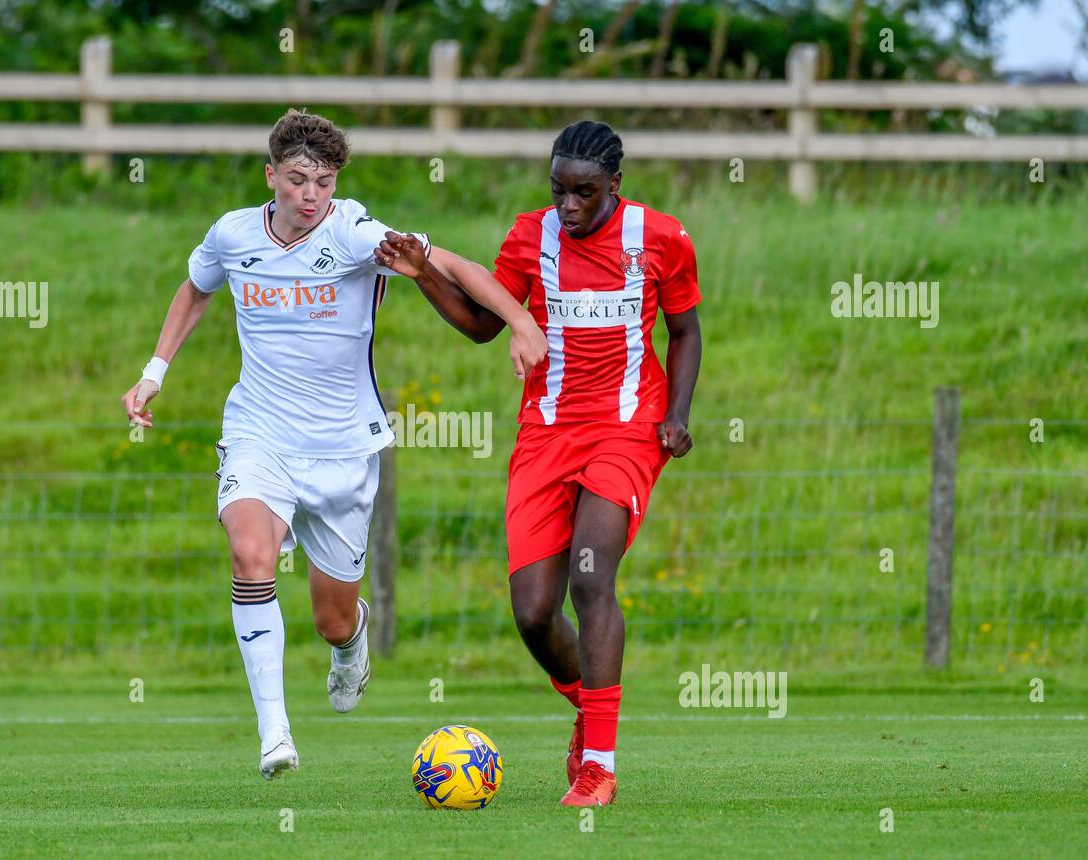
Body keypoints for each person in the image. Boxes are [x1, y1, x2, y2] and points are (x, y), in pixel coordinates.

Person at [121, 109, 546, 780]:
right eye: (297, 180)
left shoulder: (355, 233)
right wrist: (154, 373)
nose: (311, 195)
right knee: (249, 550)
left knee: (330, 618)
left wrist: (521, 321)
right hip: (258, 432)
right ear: (272, 177)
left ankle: (352, 643)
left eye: (323, 181)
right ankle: (275, 735)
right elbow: (196, 290)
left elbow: (458, 265)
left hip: (343, 451)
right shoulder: (233, 235)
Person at [375, 120, 702, 806]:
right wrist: (423, 275)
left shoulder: (661, 238)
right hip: (545, 435)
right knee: (532, 613)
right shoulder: (531, 237)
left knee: (591, 579)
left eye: (584, 192)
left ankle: (599, 768)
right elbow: (485, 324)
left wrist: (676, 414)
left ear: (616, 185)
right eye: (558, 190)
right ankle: (590, 702)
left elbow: (685, 331)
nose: (569, 206)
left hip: (625, 429)